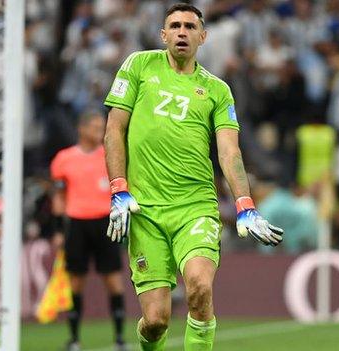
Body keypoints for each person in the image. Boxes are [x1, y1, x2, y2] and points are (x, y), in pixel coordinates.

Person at [103, 4, 284, 351]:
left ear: (203, 36)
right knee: (155, 322)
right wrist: (118, 189)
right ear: (163, 34)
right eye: (175, 25)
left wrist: (245, 204)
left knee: (199, 286)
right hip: (145, 210)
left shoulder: (217, 90)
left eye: (189, 26)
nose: (182, 31)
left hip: (195, 208)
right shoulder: (139, 65)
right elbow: (114, 130)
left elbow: (230, 152)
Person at [50, 111, 127, 351]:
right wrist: (57, 230)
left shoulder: (110, 156)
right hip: (77, 224)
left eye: (101, 127)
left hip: (105, 223)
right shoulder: (64, 159)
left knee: (114, 281)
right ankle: (74, 340)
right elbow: (59, 197)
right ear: (81, 129)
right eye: (94, 126)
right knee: (76, 283)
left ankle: (119, 339)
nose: (99, 131)